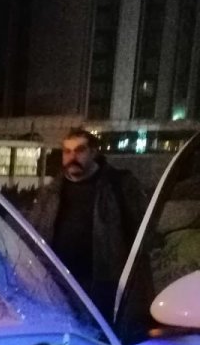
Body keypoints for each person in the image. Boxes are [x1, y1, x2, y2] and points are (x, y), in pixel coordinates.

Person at [25, 128, 146, 317]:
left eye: (79, 150)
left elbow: (141, 232)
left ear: (93, 152)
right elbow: (33, 233)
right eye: (67, 151)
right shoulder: (51, 192)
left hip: (103, 286)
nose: (72, 157)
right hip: (58, 284)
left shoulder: (119, 186)